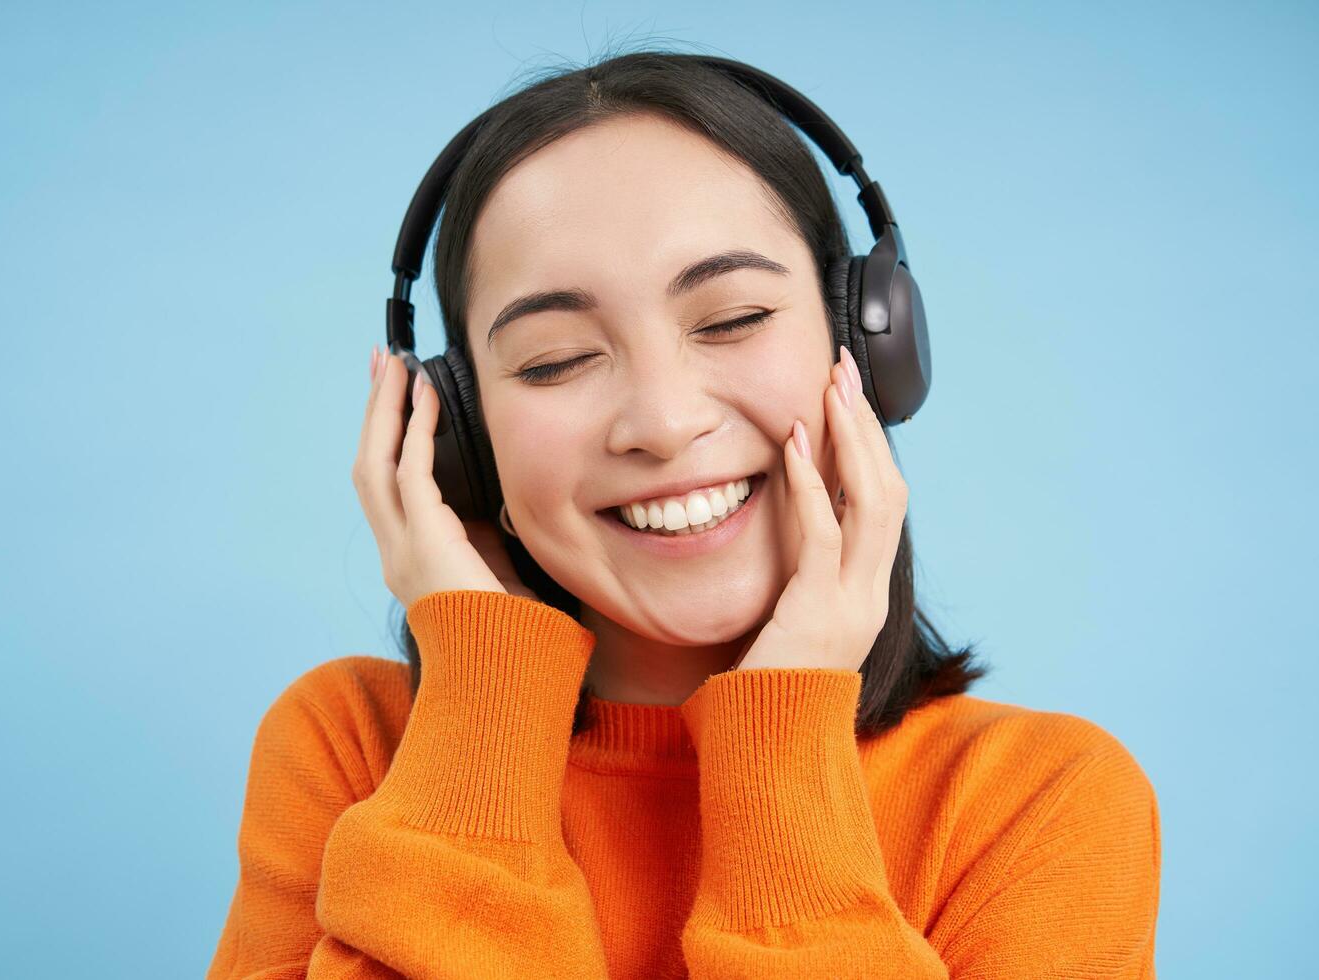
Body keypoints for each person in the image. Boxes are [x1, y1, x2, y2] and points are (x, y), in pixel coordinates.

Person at [206, 51, 1161, 979]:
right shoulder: (350, 750)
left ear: (867, 349)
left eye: (733, 319)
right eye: (553, 360)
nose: (663, 424)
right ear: (457, 431)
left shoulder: (1038, 802)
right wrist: (481, 707)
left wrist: (783, 743)